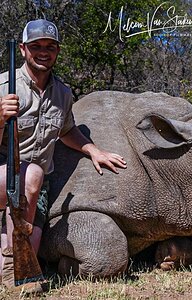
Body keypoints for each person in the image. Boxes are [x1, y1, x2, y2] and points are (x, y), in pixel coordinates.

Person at [0, 19, 127, 291]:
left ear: (57, 51)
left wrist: (93, 149)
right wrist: (0, 119)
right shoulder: (4, 86)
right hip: (3, 176)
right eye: (36, 46)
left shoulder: (63, 92)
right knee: (32, 173)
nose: (43, 52)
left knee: (28, 251)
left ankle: (13, 261)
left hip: (33, 192)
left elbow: (66, 130)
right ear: (23, 49)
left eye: (50, 46)